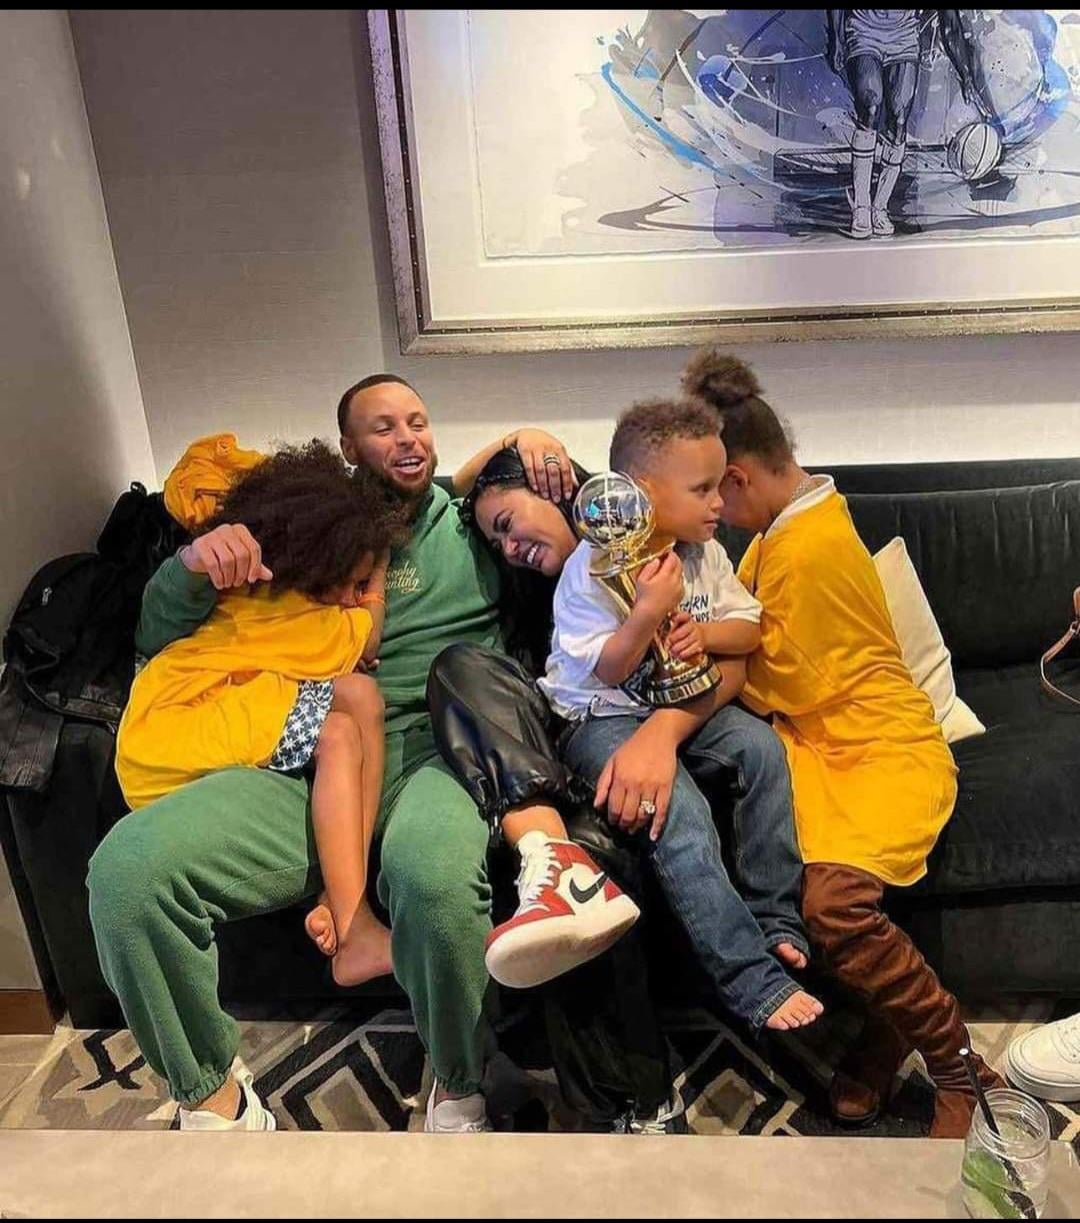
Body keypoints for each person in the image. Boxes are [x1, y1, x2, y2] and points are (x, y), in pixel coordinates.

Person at [87, 374, 651, 1134]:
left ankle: (459, 1084)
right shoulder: (303, 523)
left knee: (433, 874)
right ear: (349, 448)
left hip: (435, 751)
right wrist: (190, 563)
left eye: (418, 421)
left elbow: (583, 540)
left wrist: (532, 441)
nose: (407, 437)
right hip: (298, 764)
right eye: (383, 427)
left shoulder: (473, 522)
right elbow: (161, 634)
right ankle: (213, 1097)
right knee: (128, 873)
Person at [682, 348, 1005, 1137]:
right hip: (827, 745)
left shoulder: (808, 547)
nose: (714, 510)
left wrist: (705, 652)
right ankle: (890, 1026)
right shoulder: (788, 528)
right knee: (787, 878)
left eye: (712, 491)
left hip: (880, 746)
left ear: (739, 477)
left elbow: (785, 680)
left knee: (831, 905)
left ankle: (957, 1060)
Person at [541, 398, 821, 1033]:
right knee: (680, 814)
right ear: (641, 492)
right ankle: (750, 978)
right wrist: (647, 611)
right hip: (601, 716)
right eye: (702, 489)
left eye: (720, 485)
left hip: (683, 702)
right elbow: (608, 670)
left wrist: (706, 632)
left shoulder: (705, 553)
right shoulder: (592, 567)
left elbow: (749, 630)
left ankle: (776, 915)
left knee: (761, 750)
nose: (719, 502)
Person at [115, 441, 406, 989]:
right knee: (338, 733)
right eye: (353, 583)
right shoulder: (314, 622)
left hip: (169, 716)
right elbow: (367, 635)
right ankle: (355, 927)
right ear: (324, 570)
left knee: (360, 697)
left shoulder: (250, 587)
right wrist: (380, 575)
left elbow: (206, 470)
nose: (354, 597)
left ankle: (343, 900)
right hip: (187, 725)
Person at [826, 10, 985, 238]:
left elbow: (950, 25)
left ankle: (879, 208)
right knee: (870, 104)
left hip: (904, 38)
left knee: (899, 121)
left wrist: (966, 74)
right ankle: (861, 207)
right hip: (863, 30)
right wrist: (837, 39)